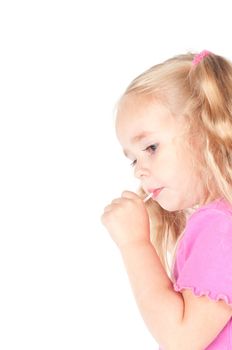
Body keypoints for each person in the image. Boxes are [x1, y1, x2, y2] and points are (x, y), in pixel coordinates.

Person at [101, 50, 232, 349]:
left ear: (203, 132)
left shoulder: (220, 227)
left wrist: (134, 244)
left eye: (150, 148)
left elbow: (180, 339)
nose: (140, 171)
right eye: (132, 160)